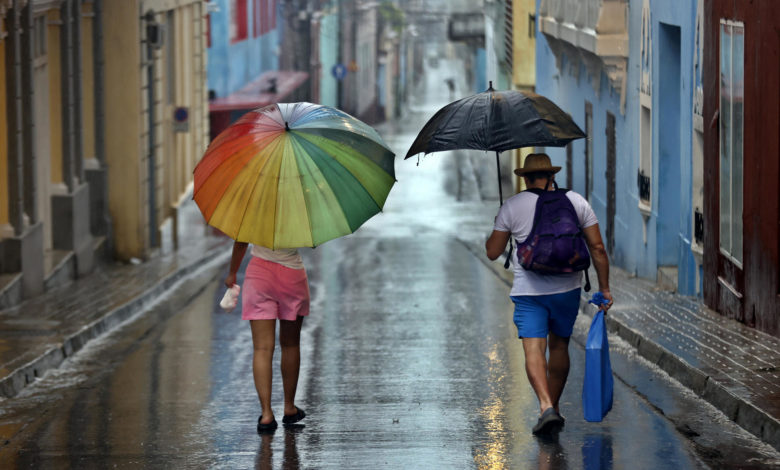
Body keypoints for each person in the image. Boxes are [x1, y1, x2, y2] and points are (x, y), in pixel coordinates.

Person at [485, 153, 613, 435]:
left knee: (534, 348)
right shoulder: (576, 201)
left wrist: (500, 221)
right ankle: (553, 406)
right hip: (567, 289)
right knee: (559, 347)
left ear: (525, 178)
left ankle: (545, 408)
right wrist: (604, 288)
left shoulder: (512, 206)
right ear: (552, 176)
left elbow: (493, 252)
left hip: (529, 292)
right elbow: (598, 248)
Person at [225, 241, 309, 434]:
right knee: (290, 345)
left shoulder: (255, 218)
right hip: (292, 275)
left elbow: (241, 241)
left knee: (262, 348)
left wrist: (232, 273)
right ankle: (289, 407)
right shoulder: (299, 219)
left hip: (259, 276)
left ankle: (266, 414)